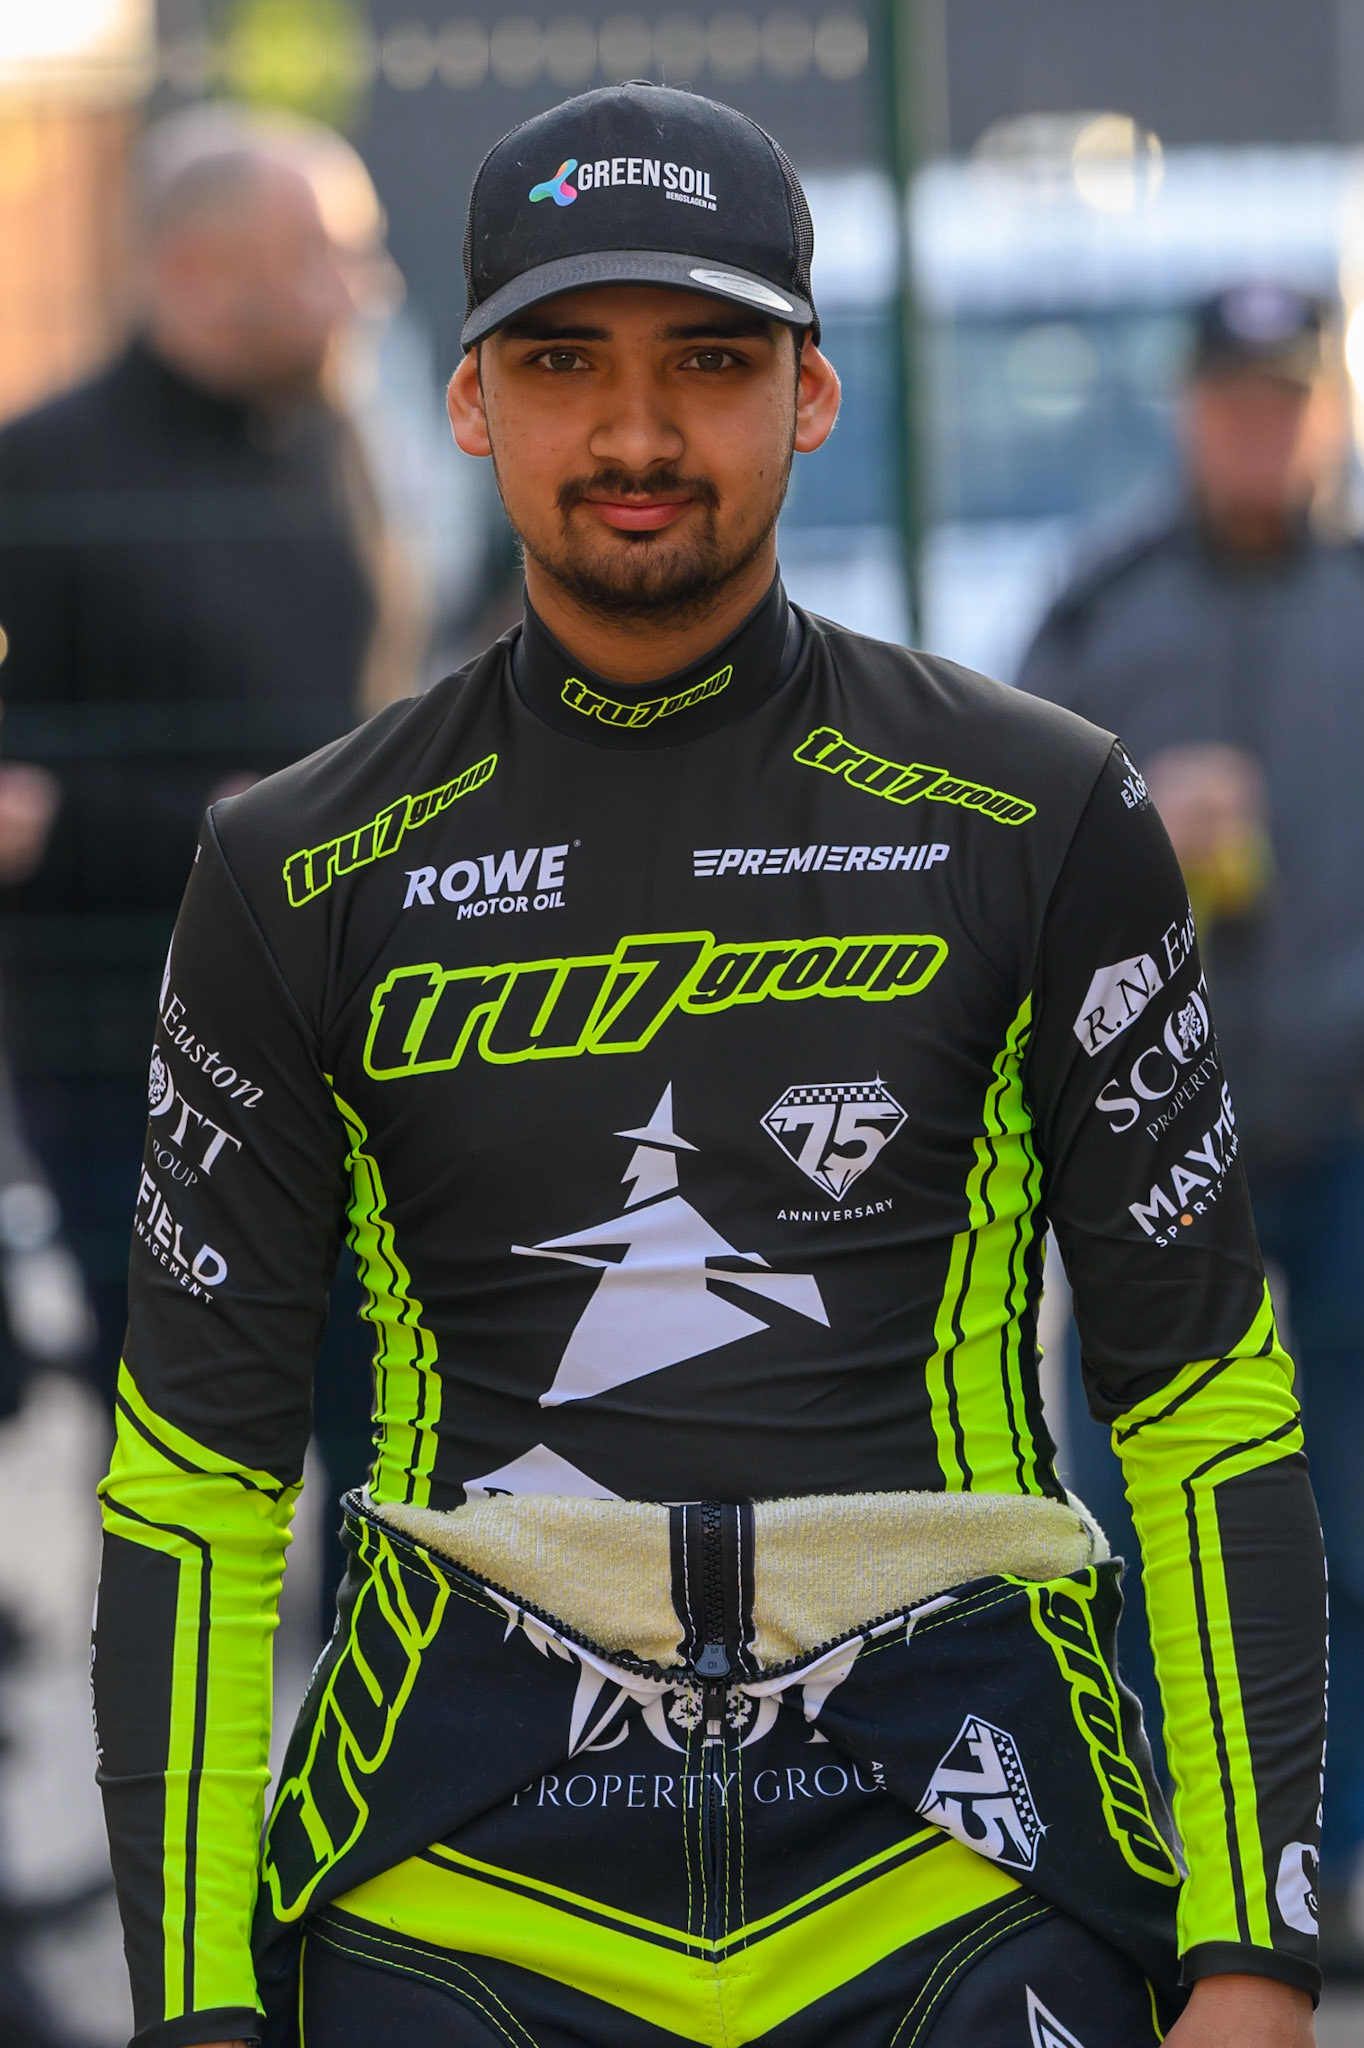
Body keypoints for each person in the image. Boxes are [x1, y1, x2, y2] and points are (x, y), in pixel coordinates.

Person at [91, 87, 1324, 2048]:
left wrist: (1254, 1953)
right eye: (566, 363)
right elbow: (198, 1486)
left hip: (956, 1871)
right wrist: (193, 2008)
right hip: (462, 1898)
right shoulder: (294, 869)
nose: (641, 434)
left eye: (713, 363)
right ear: (473, 398)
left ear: (810, 394)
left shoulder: (1036, 808)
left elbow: (1199, 1406)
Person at [1018, 283, 1364, 1968]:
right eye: (1234, 403)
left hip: (1358, 1127)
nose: (1261, 431)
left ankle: (1330, 1851)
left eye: (1291, 401)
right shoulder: (1100, 610)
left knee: (1350, 1498)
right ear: (1185, 414)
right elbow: (999, 851)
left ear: (1335, 410)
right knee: (1145, 1492)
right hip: (1161, 1132)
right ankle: (1153, 1832)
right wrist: (1152, 807)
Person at [0, 116, 379, 1411]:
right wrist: (215, 826)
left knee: (376, 1403)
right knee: (189, 1420)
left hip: (345, 1023)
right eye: (331, 254)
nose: (364, 289)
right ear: (201, 273)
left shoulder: (330, 445)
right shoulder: (40, 472)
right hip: (124, 1054)